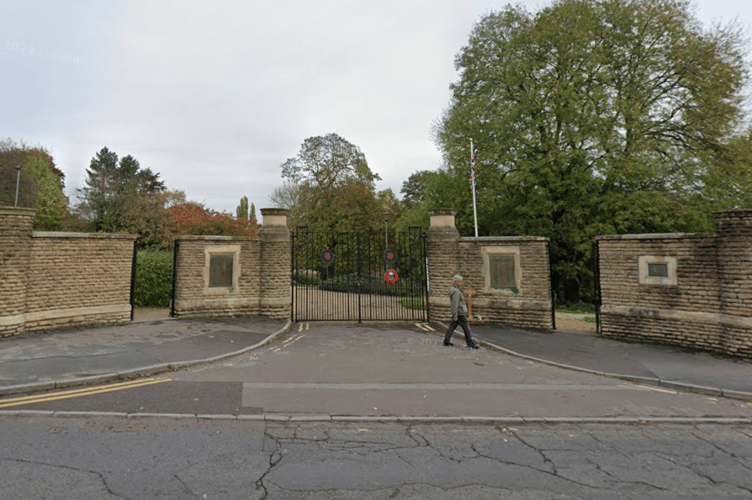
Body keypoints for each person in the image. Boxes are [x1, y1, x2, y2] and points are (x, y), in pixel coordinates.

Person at [444, 275, 479, 349]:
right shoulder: (456, 292)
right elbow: (455, 304)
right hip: (460, 313)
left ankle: (446, 341)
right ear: (457, 282)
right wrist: (455, 314)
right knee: (466, 328)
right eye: (461, 281)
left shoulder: (453, 290)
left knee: (452, 326)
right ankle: (470, 343)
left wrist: (454, 314)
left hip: (458, 312)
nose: (462, 283)